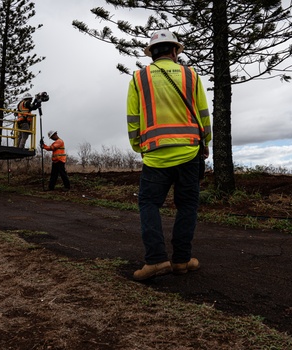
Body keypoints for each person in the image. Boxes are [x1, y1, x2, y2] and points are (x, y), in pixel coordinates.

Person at [126, 29, 212, 281]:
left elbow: (133, 119)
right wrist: (205, 142)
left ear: (152, 53)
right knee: (187, 205)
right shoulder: (190, 75)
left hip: (155, 156)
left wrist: (138, 146)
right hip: (189, 152)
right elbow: (203, 114)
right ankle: (182, 260)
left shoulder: (139, 78)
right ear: (174, 51)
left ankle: (155, 261)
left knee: (149, 204)